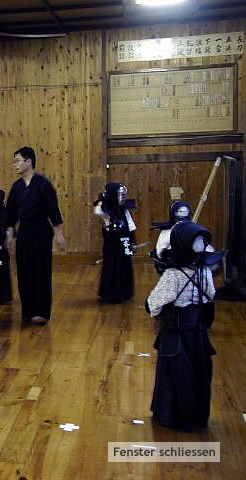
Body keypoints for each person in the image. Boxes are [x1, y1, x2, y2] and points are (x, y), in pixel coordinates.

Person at [146, 220, 223, 431]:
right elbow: (210, 296)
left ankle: (173, 417)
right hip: (197, 332)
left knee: (177, 375)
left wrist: (154, 313)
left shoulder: (173, 275)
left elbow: (154, 303)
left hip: (175, 333)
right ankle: (195, 417)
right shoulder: (203, 271)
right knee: (197, 371)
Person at [5, 146, 65, 324]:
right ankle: (28, 311)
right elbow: (11, 214)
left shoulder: (43, 185)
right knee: (24, 272)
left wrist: (59, 234)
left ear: (28, 161)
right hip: (24, 232)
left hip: (41, 232)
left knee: (41, 271)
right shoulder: (16, 187)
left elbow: (53, 211)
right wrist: (10, 234)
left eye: (18, 160)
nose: (15, 164)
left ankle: (41, 312)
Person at [93, 183, 137, 303]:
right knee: (112, 265)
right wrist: (102, 199)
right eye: (119, 195)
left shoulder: (124, 209)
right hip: (111, 241)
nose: (122, 198)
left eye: (123, 195)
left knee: (124, 264)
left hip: (124, 239)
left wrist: (132, 241)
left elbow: (130, 225)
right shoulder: (104, 208)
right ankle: (111, 294)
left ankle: (124, 293)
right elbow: (98, 211)